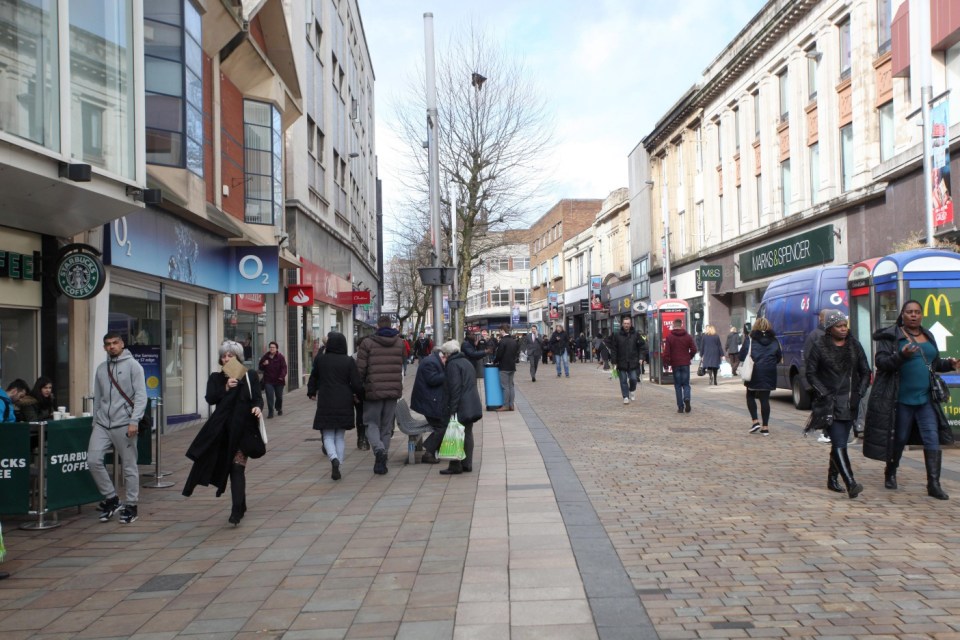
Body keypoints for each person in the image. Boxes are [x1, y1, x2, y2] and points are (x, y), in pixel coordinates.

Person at [864, 299, 959, 500]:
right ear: (903, 315)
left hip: (926, 400)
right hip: (900, 399)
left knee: (932, 438)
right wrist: (902, 356)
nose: (914, 315)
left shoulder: (928, 335)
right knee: (898, 440)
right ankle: (891, 470)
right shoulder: (891, 337)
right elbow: (882, 363)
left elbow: (932, 364)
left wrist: (949, 364)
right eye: (910, 312)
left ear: (921, 314)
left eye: (917, 312)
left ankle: (934, 484)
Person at [183, 340, 264, 525]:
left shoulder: (250, 375)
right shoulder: (216, 378)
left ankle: (236, 511)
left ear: (238, 358)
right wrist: (226, 387)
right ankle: (241, 504)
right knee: (226, 467)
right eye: (224, 355)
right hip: (222, 432)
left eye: (231, 356)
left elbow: (257, 399)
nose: (226, 359)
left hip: (243, 431)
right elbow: (210, 398)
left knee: (237, 468)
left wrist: (258, 408)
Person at [804, 311, 871, 498]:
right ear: (829, 328)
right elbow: (811, 373)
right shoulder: (819, 346)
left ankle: (831, 479)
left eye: (845, 325)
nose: (843, 329)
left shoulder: (854, 345)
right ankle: (850, 483)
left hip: (850, 401)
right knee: (840, 441)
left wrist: (860, 391)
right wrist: (823, 392)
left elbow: (865, 370)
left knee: (839, 442)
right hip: (830, 402)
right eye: (839, 326)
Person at [88, 332, 147, 524]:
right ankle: (112, 498)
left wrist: (134, 421)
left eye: (115, 343)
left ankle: (131, 505)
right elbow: (98, 396)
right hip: (103, 423)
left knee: (129, 465)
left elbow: (140, 395)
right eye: (108, 344)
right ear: (104, 347)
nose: (111, 346)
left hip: (125, 423)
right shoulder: (101, 368)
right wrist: (95, 420)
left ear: (122, 344)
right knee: (93, 460)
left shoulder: (133, 366)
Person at [307, 332, 363, 480]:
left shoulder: (321, 360)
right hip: (344, 400)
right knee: (340, 436)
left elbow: (314, 377)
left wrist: (311, 392)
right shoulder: (348, 361)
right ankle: (340, 463)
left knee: (328, 434)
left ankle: (333, 459)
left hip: (326, 399)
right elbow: (356, 383)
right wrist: (359, 395)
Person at [356, 316, 404, 475]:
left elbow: (360, 370)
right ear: (391, 326)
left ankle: (379, 451)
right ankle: (382, 461)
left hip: (373, 391)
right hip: (392, 390)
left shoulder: (367, 343)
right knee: (386, 426)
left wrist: (358, 389)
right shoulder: (399, 343)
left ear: (377, 326)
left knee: (371, 423)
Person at [438, 340, 483, 475]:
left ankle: (455, 464)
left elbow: (455, 388)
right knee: (467, 433)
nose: (443, 358)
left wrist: (452, 410)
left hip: (461, 405)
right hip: (471, 403)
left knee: (455, 434)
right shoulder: (466, 362)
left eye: (444, 355)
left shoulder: (453, 365)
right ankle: (467, 463)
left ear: (448, 354)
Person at [739, 317, 782, 436]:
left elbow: (742, 355)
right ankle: (765, 427)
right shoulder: (774, 340)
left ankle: (755, 421)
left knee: (750, 395)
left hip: (754, 371)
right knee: (764, 399)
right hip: (769, 371)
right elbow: (779, 356)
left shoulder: (750, 339)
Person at [409, 345, 448, 464]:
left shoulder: (433, 361)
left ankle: (432, 449)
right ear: (443, 356)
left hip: (429, 400)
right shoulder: (430, 363)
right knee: (442, 426)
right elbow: (432, 380)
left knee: (443, 424)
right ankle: (429, 452)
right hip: (427, 402)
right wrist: (448, 374)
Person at [802, 309, 833, 443]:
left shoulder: (830, 334)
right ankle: (826, 432)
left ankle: (828, 432)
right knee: (825, 404)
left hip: (831, 376)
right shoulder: (815, 335)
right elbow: (809, 357)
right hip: (822, 377)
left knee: (830, 404)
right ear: (821, 319)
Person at [610, 316, 648, 404]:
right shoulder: (617, 335)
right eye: (625, 324)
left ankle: (632, 390)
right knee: (623, 380)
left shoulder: (636, 334)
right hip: (621, 361)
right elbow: (614, 349)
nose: (626, 325)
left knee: (633, 379)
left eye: (628, 324)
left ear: (630, 324)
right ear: (622, 324)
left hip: (633, 361)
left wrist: (641, 357)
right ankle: (626, 396)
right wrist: (614, 362)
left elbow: (642, 346)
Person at [663, 320, 697, 413]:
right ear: (681, 325)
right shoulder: (688, 336)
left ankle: (680, 407)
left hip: (675, 363)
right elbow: (694, 349)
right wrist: (689, 357)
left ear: (673, 325)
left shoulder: (670, 337)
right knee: (686, 384)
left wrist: (666, 363)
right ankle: (687, 397)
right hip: (685, 363)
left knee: (677, 385)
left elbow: (666, 352)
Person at [258, 341, 287, 419]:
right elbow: (260, 367)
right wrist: (263, 364)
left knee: (279, 397)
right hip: (268, 381)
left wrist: (282, 376)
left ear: (276, 348)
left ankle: (279, 408)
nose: (271, 349)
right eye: (270, 347)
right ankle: (271, 412)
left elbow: (284, 368)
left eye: (273, 347)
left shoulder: (280, 357)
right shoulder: (265, 357)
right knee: (270, 396)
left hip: (279, 381)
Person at [493, 324, 520, 411]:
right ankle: (511, 405)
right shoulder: (513, 341)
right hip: (512, 366)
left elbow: (499, 355)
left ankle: (505, 405)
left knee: (505, 387)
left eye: (499, 331)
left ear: (502, 330)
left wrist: (495, 361)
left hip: (504, 366)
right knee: (511, 386)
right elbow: (516, 353)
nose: (499, 333)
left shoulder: (502, 341)